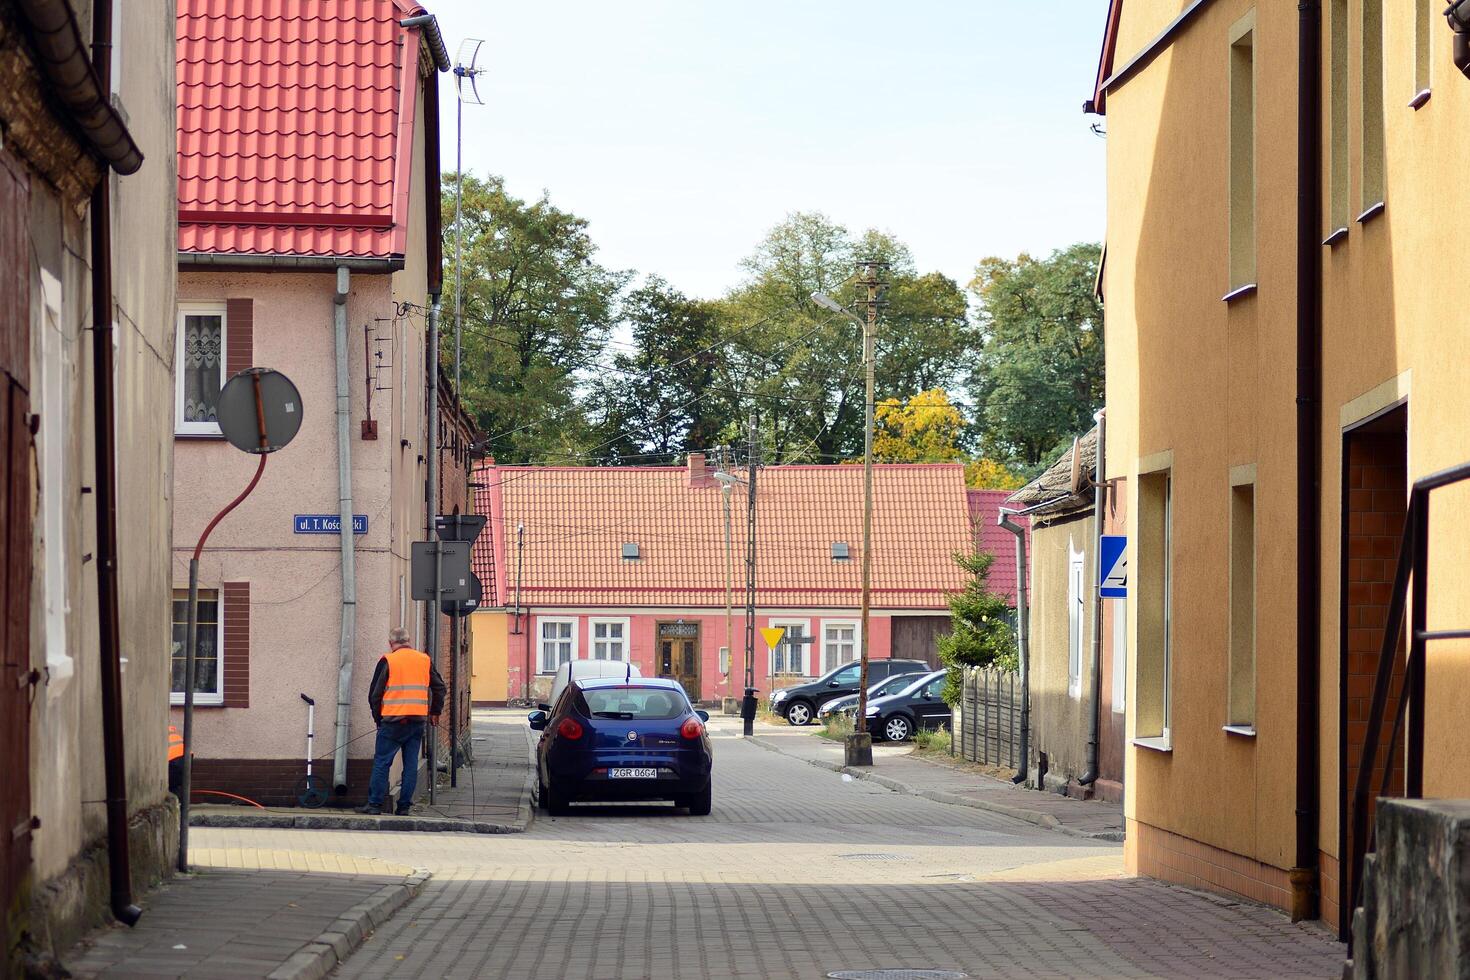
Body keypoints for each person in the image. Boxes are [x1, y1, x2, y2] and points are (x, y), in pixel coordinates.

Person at [356, 628, 446, 816]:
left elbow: (374, 695)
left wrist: (378, 719)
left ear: (391, 643)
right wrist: (435, 712)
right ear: (408, 641)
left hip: (392, 722)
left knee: (382, 763)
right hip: (416, 722)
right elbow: (440, 688)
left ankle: (374, 805)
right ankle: (404, 807)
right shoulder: (424, 660)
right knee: (411, 764)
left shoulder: (387, 660)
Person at [168, 723, 185, 797]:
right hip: (187, 759)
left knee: (172, 785)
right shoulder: (175, 734)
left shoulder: (160, 732)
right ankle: (181, 805)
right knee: (176, 785)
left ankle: (177, 805)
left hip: (174, 761)